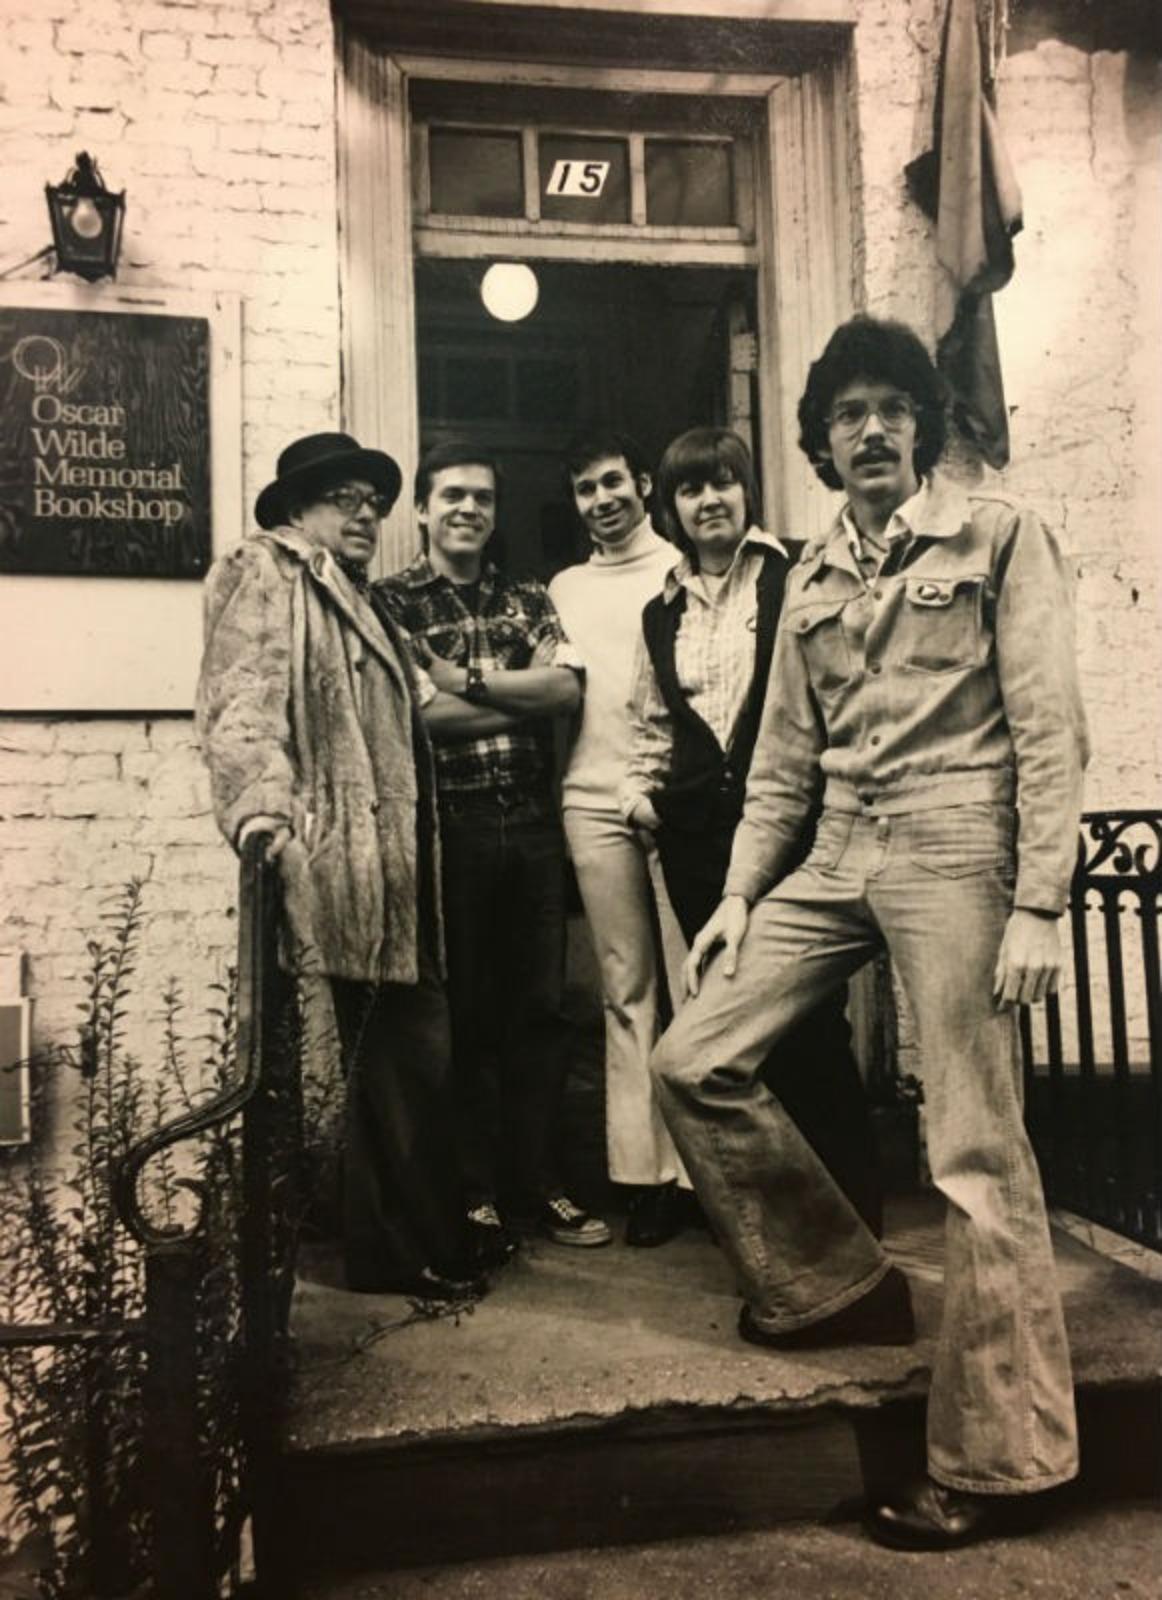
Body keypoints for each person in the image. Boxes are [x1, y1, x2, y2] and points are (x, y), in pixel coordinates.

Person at [651, 316, 1088, 1550]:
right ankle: (834, 1284)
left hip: (957, 842)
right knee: (691, 1057)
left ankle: (1002, 1459)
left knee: (973, 1149)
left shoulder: (997, 535)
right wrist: (741, 894)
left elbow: (1049, 726)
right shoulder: (808, 580)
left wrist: (1039, 901)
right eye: (848, 413)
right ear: (822, 441)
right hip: (837, 848)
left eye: (894, 408)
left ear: (923, 428)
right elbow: (782, 764)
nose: (873, 430)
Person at [197, 431, 482, 1301]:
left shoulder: (357, 595)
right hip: (334, 858)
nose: (367, 516)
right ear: (297, 507)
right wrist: (263, 816)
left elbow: (421, 711)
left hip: (391, 866)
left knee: (407, 1056)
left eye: (375, 503)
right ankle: (392, 1252)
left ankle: (420, 1239)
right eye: (344, 499)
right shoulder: (266, 569)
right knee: (383, 1058)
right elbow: (240, 707)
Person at [623, 426, 881, 1236]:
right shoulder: (659, 611)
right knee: (730, 1034)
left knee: (809, 1028)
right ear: (670, 509)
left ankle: (852, 1228)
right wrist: (644, 800)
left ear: (747, 489)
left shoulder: (798, 573)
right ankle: (780, 1237)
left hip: (792, 836)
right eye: (690, 489)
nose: (710, 500)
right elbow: (651, 724)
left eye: (723, 481)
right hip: (698, 849)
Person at [376, 440, 613, 1262]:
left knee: (541, 1014)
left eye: (481, 497)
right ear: (422, 509)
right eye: (452, 496)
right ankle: (474, 1193)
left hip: (533, 825)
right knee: (468, 1015)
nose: (468, 509)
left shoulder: (526, 596)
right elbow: (419, 718)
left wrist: (465, 683)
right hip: (455, 824)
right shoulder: (392, 603)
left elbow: (567, 690)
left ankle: (538, 1183)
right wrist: (518, 696)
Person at [548, 432, 689, 1247]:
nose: (601, 500)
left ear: (641, 484)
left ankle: (706, 1173)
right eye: (585, 489)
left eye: (612, 482)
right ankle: (645, 1176)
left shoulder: (684, 568)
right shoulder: (564, 589)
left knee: (693, 980)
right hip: (591, 800)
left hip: (673, 801)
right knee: (626, 988)